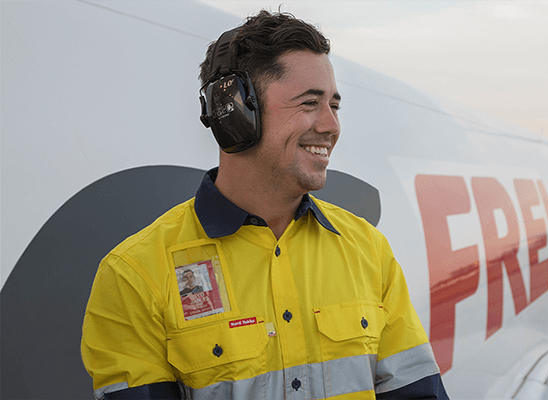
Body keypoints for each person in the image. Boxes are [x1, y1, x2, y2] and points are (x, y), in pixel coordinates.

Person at [80, 10, 448, 400]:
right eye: (310, 103)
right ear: (235, 113)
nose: (331, 125)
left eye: (334, 106)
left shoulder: (368, 251)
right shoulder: (134, 276)